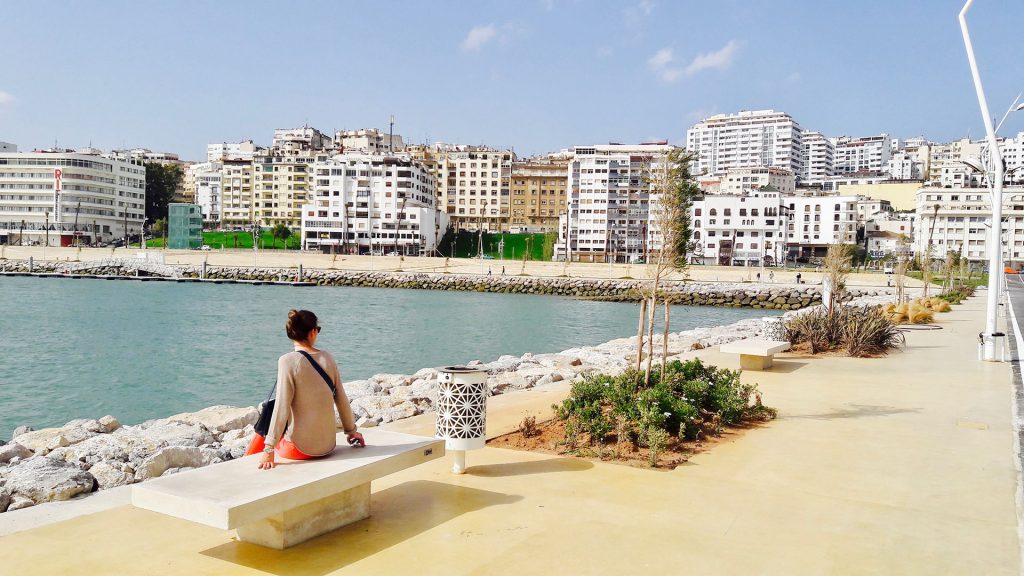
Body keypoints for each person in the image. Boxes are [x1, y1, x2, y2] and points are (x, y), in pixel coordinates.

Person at [247, 309, 365, 470]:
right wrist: (351, 432)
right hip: (328, 446)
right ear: (313, 332)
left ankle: (246, 459)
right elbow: (341, 398)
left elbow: (282, 405)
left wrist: (269, 449)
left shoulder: (287, 361)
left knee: (268, 415)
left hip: (298, 450)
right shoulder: (328, 358)